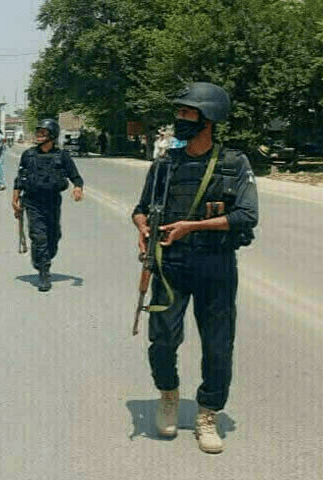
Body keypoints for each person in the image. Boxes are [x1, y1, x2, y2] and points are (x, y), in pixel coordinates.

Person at [131, 82, 258, 454]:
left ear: (209, 119)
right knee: (163, 337)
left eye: (188, 113)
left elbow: (246, 216)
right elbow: (141, 208)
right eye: (180, 112)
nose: (179, 119)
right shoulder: (164, 165)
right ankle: (168, 393)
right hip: (170, 263)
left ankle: (207, 412)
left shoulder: (235, 164)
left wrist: (193, 227)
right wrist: (141, 226)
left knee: (218, 344)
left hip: (215, 265)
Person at [12, 118, 84, 292]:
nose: (39, 136)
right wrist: (15, 199)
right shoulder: (28, 155)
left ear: (52, 136)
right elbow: (20, 178)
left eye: (43, 133)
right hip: (32, 201)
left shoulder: (62, 156)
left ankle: (41, 258)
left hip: (52, 201)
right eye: (38, 132)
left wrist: (78, 188)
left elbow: (75, 176)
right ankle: (44, 272)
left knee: (54, 236)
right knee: (39, 236)